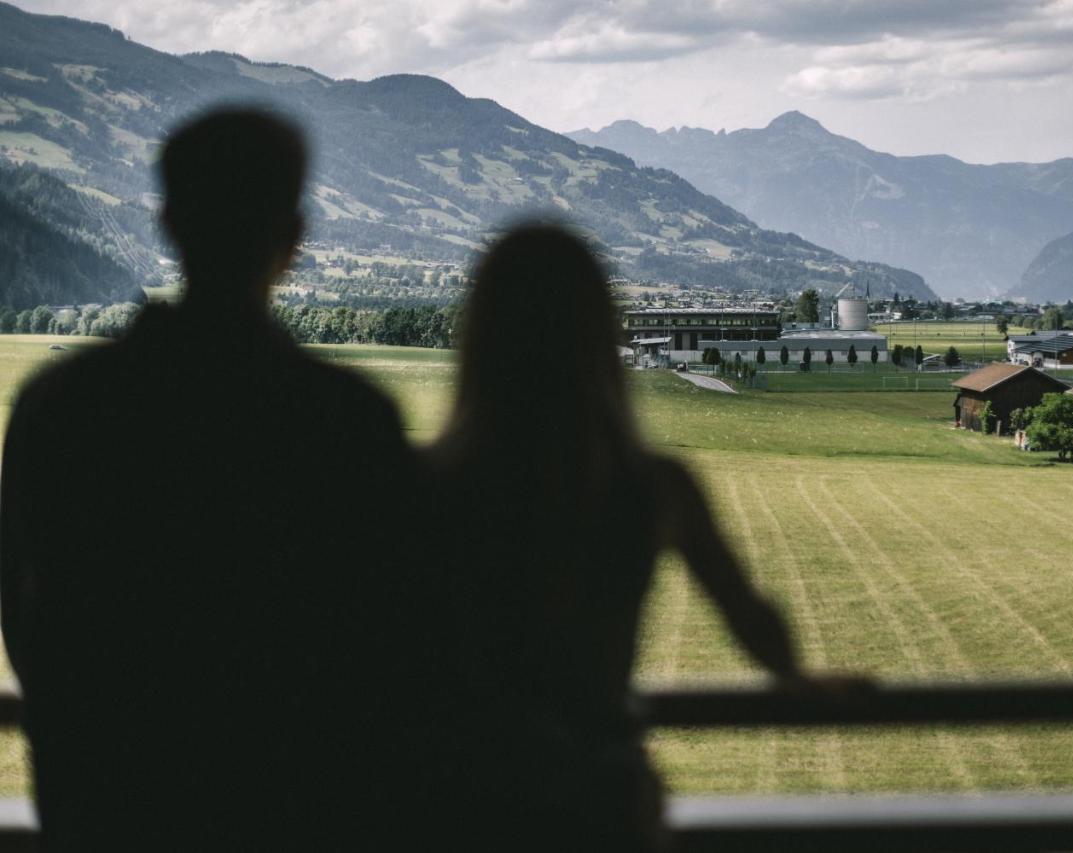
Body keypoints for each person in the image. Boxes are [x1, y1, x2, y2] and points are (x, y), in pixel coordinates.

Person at [1, 108, 427, 849]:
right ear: (294, 236)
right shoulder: (352, 422)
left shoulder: (61, 405)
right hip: (296, 807)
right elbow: (389, 642)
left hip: (109, 802)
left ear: (166, 221)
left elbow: (21, 602)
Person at [421, 225, 800, 850]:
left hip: (465, 802)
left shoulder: (426, 486)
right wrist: (799, 680)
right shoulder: (652, 486)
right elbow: (757, 626)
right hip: (601, 803)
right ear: (599, 336)